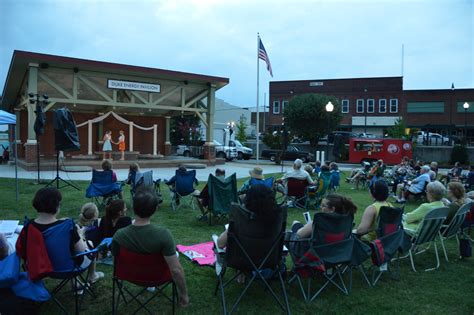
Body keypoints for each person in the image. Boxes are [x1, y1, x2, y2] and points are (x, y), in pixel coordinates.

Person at [111, 188, 189, 307]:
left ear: (133, 207)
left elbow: (115, 260)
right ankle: (151, 285)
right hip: (158, 277)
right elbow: (176, 270)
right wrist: (184, 294)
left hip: (129, 275)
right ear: (155, 210)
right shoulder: (163, 235)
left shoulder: (119, 235)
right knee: (175, 256)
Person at [26, 187, 104, 283]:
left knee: (67, 250)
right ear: (57, 206)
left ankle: (78, 285)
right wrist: (79, 234)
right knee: (89, 245)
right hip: (65, 269)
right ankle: (92, 276)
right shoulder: (67, 226)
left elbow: (23, 251)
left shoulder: (28, 226)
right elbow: (83, 250)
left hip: (41, 267)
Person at [216, 184, 281, 248]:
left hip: (241, 258)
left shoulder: (241, 218)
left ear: (248, 200)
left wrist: (230, 227)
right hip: (270, 258)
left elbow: (220, 244)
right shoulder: (277, 219)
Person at [290, 193, 358, 239]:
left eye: (323, 206)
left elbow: (299, 235)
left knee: (295, 224)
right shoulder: (345, 221)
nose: (320, 207)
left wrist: (307, 226)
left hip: (316, 252)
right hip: (337, 251)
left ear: (332, 209)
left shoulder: (320, 222)